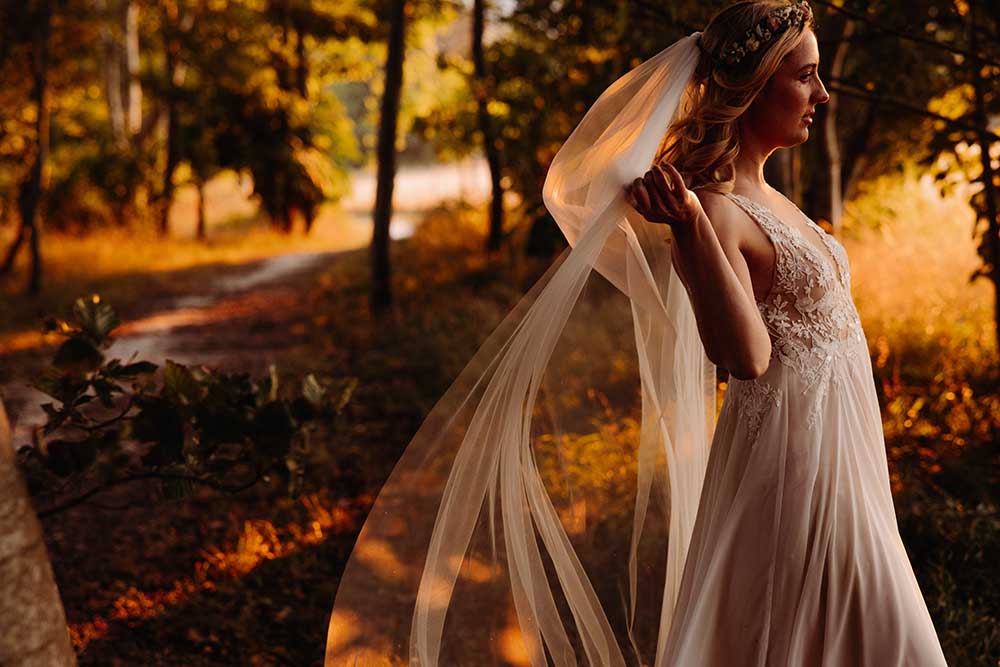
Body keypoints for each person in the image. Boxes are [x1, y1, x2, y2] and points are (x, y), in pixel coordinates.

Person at [326, 2, 949, 665]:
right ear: (753, 86)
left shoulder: (779, 200)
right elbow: (747, 356)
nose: (821, 94)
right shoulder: (712, 210)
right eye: (805, 77)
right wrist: (689, 227)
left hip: (846, 464)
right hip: (797, 469)